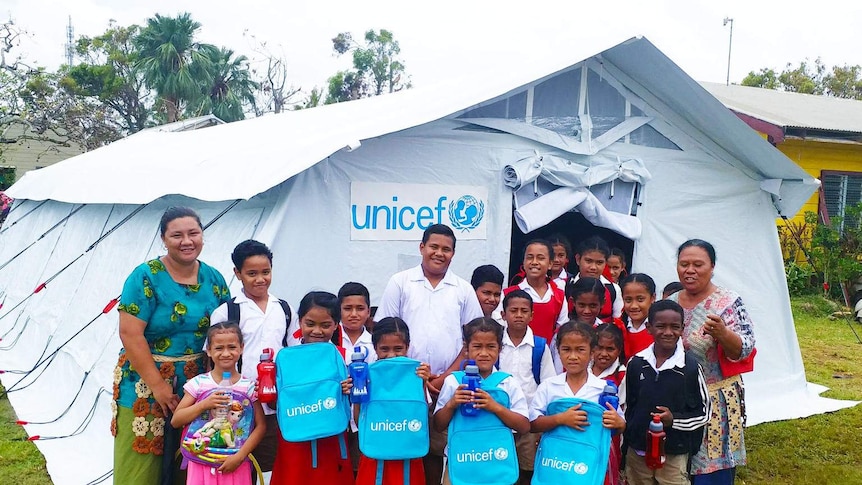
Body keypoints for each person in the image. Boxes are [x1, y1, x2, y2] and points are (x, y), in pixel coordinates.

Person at [113, 207, 231, 485]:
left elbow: (225, 333)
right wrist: (159, 386)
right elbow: (130, 334)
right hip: (146, 381)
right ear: (164, 239)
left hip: (197, 384)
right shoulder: (146, 276)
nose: (186, 241)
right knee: (142, 462)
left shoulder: (214, 279)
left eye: (193, 233)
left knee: (192, 457)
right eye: (177, 235)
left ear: (202, 236)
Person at [376, 224, 484, 485]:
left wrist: (445, 378)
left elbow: (474, 340)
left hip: (448, 386)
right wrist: (417, 378)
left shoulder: (463, 289)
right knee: (404, 444)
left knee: (436, 450)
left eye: (446, 249)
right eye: (433, 247)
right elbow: (384, 332)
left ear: (453, 254)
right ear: (421, 247)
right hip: (404, 384)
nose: (439, 253)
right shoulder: (400, 282)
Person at [668, 239, 755, 485]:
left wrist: (723, 334)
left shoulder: (727, 302)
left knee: (710, 469)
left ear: (712, 266)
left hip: (715, 402)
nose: (690, 270)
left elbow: (745, 348)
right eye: (684, 264)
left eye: (698, 264)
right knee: (675, 467)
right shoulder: (671, 301)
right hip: (677, 399)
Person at [209, 239, 292, 481]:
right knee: (235, 462)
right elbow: (214, 358)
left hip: (275, 405)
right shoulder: (228, 311)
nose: (260, 279)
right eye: (251, 273)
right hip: (237, 405)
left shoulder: (284, 309)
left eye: (265, 272)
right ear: (237, 273)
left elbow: (291, 352)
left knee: (269, 465)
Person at [270, 291, 355, 485]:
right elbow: (277, 403)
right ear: (300, 321)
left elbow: (361, 398)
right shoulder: (285, 358)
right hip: (295, 441)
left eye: (325, 325)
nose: (317, 331)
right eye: (310, 324)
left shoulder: (346, 357)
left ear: (336, 324)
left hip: (332, 439)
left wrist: (350, 390)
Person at [433, 317, 531, 485]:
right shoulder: (454, 381)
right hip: (461, 461)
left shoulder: (507, 382)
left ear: (500, 349)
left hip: (496, 462)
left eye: (491, 347)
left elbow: (524, 426)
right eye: (477, 347)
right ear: (466, 349)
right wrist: (451, 404)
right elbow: (438, 425)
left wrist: (496, 407)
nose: (484, 353)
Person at [624, 300, 710, 485]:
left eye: (675, 327)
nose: (668, 332)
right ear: (649, 328)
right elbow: (628, 406)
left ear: (682, 328)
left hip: (673, 453)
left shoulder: (690, 368)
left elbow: (704, 414)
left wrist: (674, 420)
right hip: (638, 451)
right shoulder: (637, 363)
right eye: (661, 326)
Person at [172, 322, 267, 485]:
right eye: (218, 348)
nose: (226, 353)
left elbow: (261, 426)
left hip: (235, 461)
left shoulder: (248, 386)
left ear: (241, 348)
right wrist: (203, 404)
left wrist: (240, 456)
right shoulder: (199, 384)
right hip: (201, 460)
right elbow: (176, 420)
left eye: (232, 347)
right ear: (208, 350)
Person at [528, 321, 626, 454]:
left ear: (592, 353)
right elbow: (533, 424)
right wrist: (561, 419)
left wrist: (618, 423)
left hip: (589, 459)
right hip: (555, 458)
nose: (573, 357)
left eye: (580, 350)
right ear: (558, 351)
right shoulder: (548, 386)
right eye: (566, 349)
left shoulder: (603, 389)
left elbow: (619, 424)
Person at [355, 317, 431, 485]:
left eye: (398, 349)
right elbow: (358, 419)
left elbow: (421, 414)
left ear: (407, 347)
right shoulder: (365, 374)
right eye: (384, 349)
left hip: (408, 451)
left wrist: (423, 383)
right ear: (375, 348)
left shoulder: (417, 373)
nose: (391, 355)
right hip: (375, 452)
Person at [497, 290, 556, 485]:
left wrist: (542, 425)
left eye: (524, 311)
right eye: (513, 310)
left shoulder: (539, 347)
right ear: (503, 314)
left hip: (529, 423)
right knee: (500, 467)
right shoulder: (495, 344)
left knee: (527, 469)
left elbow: (548, 385)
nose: (519, 315)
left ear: (532, 315)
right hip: (499, 421)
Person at [498, 239, 568, 342]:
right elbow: (499, 328)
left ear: (550, 264)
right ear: (523, 262)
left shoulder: (559, 296)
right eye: (530, 257)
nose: (534, 262)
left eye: (540, 258)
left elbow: (562, 331)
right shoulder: (507, 294)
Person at [590, 323, 627, 485]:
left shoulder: (622, 375)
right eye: (599, 347)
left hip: (610, 440)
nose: (603, 354)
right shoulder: (583, 370)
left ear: (618, 350)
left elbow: (625, 412)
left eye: (610, 349)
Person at [570, 236, 623, 321]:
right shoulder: (565, 285)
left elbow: (617, 320)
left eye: (599, 262)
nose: (593, 267)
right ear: (578, 259)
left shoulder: (613, 289)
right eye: (588, 261)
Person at [339, 282, 377, 364]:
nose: (354, 314)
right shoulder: (330, 340)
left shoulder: (374, 343)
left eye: (360, 308)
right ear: (338, 310)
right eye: (347, 308)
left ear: (368, 312)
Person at [621, 273, 658, 359]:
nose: (634, 306)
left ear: (652, 298)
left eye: (640, 299)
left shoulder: (659, 329)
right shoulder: (618, 327)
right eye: (628, 300)